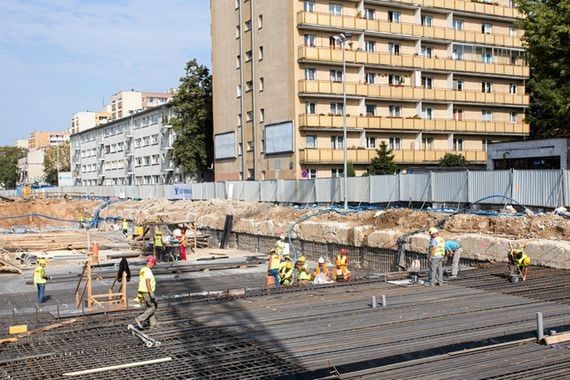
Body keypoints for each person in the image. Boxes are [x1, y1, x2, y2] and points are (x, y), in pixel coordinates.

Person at [135, 256, 157, 329]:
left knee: (150, 307)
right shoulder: (148, 271)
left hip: (143, 292)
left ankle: (153, 324)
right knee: (154, 307)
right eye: (154, 264)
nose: (154, 265)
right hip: (147, 292)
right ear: (150, 263)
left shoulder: (143, 269)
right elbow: (147, 282)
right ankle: (140, 318)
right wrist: (150, 292)